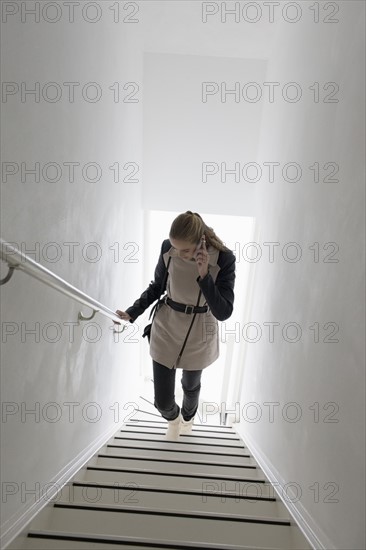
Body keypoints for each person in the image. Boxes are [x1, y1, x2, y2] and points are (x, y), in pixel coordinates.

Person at [115, 211, 236, 440]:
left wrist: (204, 275)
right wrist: (132, 312)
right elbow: (156, 287)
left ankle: (188, 420)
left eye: (186, 250)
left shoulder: (224, 258)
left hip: (199, 331)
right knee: (162, 401)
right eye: (175, 248)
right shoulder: (167, 249)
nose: (179, 254)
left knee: (190, 387)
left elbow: (224, 312)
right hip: (167, 326)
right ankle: (174, 418)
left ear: (201, 241)